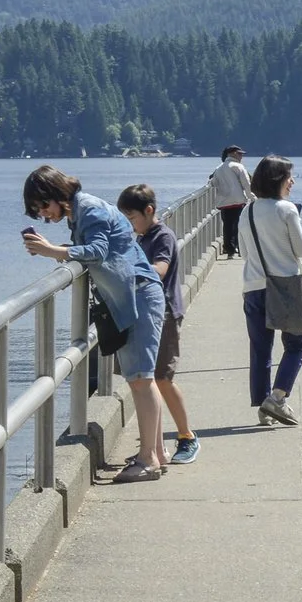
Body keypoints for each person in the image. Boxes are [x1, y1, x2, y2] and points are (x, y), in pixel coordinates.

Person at [21, 165, 167, 481]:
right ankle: (157, 452)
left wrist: (51, 251)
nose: (45, 215)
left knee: (141, 379)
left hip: (139, 294)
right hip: (133, 295)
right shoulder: (82, 211)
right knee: (142, 379)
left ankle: (149, 459)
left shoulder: (89, 210)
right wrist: (57, 249)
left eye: (44, 206)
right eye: (38, 212)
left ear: (56, 194)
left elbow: (97, 252)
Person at [118, 185, 198, 465]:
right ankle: (154, 447)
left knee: (163, 379)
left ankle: (187, 436)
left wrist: (125, 268)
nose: (130, 225)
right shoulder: (141, 236)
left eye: (131, 218)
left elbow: (159, 270)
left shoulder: (161, 236)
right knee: (152, 379)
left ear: (148, 211)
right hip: (150, 314)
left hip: (164, 313)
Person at [240, 153, 302, 426]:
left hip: (253, 286)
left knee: (260, 348)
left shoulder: (247, 210)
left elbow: (244, 251)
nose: (292, 181)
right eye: (289, 176)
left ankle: (263, 406)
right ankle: (277, 398)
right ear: (279, 179)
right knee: (296, 345)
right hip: (286, 286)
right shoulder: (287, 210)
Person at [208, 145, 251, 258]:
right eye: (239, 153)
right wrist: (252, 197)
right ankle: (240, 247)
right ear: (232, 154)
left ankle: (229, 249)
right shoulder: (238, 166)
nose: (241, 156)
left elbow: (213, 183)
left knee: (227, 226)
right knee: (239, 225)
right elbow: (246, 184)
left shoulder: (219, 168)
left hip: (224, 202)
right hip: (238, 201)